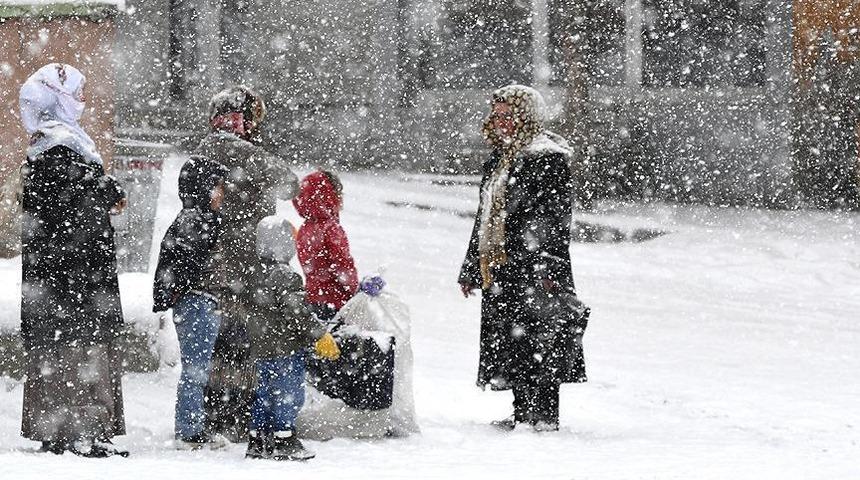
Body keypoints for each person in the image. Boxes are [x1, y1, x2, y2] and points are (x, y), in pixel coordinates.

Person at [458, 84, 588, 432]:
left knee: (541, 336)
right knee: (511, 338)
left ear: (526, 116)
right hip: (501, 264)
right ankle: (521, 412)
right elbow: (484, 216)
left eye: (507, 115)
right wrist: (471, 267)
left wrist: (547, 265)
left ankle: (544, 416)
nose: (500, 122)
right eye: (496, 115)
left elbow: (555, 218)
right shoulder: (501, 158)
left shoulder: (547, 158)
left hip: (535, 265)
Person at [18, 63, 128, 457]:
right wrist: (102, 192)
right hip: (74, 280)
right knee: (80, 350)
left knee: (62, 351)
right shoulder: (60, 148)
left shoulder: (53, 144)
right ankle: (81, 431)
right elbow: (69, 214)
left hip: (58, 279)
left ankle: (62, 429)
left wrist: (99, 191)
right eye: (77, 92)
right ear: (57, 98)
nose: (82, 100)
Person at [196, 86, 300, 441]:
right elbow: (289, 183)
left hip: (215, 261)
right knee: (240, 339)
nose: (257, 126)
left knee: (220, 341)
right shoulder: (236, 149)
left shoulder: (206, 147)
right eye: (254, 118)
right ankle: (234, 415)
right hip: (239, 263)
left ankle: (216, 412)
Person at [244, 216, 340, 460]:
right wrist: (320, 335)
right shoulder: (286, 276)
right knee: (288, 394)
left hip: (260, 348)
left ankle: (258, 440)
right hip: (285, 348)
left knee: (263, 394)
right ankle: (284, 439)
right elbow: (298, 312)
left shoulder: (252, 273)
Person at [152, 158, 229, 449]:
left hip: (202, 301)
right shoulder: (196, 221)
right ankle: (188, 430)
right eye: (217, 187)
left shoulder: (199, 219)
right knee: (196, 370)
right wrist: (183, 291)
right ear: (202, 188)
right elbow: (182, 266)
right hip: (197, 303)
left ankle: (194, 425)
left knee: (200, 369)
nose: (221, 194)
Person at [293, 170, 359, 322]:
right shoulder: (330, 229)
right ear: (329, 196)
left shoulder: (306, 228)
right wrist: (356, 288)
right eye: (339, 194)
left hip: (314, 298)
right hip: (335, 301)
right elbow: (342, 266)